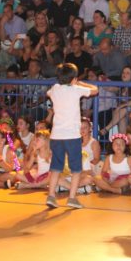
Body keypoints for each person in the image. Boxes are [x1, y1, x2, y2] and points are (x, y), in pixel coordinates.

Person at [45, 63, 99, 209]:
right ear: (74, 78)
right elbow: (95, 90)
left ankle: (51, 196)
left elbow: (48, 93)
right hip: (72, 136)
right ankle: (72, 198)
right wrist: (80, 83)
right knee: (76, 169)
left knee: (56, 167)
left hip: (56, 135)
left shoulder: (55, 89)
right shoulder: (76, 89)